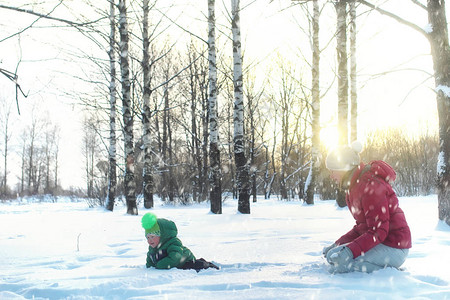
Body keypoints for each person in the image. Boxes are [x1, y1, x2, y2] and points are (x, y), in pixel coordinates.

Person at [322, 141, 412, 273]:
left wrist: (349, 252)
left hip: (395, 246)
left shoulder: (370, 185)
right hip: (383, 242)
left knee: (340, 266)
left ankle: (389, 271)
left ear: (343, 168)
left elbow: (378, 230)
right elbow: (362, 227)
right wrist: (338, 244)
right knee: (332, 257)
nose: (331, 176)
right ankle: (378, 265)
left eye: (333, 170)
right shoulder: (356, 186)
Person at [142, 212, 219, 272]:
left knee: (195, 265)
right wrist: (150, 267)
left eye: (152, 237)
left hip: (185, 260)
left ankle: (208, 265)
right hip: (176, 265)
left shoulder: (173, 243)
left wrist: (160, 265)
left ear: (162, 236)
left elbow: (175, 257)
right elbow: (150, 260)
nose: (150, 240)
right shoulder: (153, 248)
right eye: (147, 237)